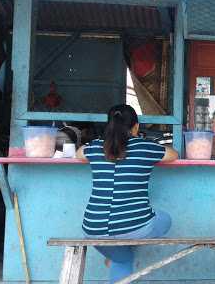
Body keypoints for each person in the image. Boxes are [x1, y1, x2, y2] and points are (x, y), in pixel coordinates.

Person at [76, 104, 178, 283]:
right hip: (134, 227)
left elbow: (78, 154)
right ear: (136, 126)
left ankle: (117, 257)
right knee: (164, 219)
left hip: (93, 228)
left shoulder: (96, 147)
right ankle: (118, 255)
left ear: (110, 125)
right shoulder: (145, 147)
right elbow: (173, 155)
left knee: (123, 259)